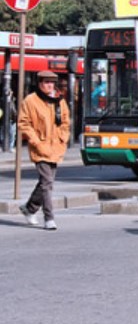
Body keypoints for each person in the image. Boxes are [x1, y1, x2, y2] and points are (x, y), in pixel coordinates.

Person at [18, 70, 71, 231]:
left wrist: (63, 137)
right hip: (40, 147)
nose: (49, 86)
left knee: (45, 182)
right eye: (46, 82)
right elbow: (23, 123)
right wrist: (35, 140)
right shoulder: (30, 101)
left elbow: (65, 122)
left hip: (56, 147)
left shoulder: (59, 100)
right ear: (40, 83)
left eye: (52, 83)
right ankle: (49, 218)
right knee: (47, 182)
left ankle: (29, 208)